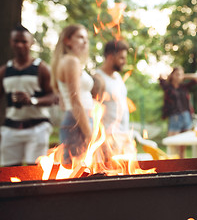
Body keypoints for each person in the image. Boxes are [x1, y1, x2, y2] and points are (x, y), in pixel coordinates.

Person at [0, 25, 58, 166]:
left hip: (37, 127)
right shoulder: (4, 71)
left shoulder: (41, 68)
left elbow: (54, 97)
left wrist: (32, 100)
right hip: (11, 128)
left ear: (31, 43)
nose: (20, 45)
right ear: (11, 42)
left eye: (24, 41)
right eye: (16, 41)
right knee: (9, 171)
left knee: (36, 170)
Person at [50, 24, 93, 164]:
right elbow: (75, 100)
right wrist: (90, 134)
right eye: (80, 37)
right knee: (77, 173)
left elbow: (64, 101)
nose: (85, 41)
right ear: (67, 40)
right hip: (78, 122)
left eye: (86, 38)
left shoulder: (67, 61)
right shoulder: (71, 61)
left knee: (78, 171)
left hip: (76, 119)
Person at [91, 40, 133, 155]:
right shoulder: (98, 79)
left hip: (124, 135)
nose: (125, 61)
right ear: (110, 57)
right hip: (109, 139)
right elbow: (93, 115)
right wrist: (103, 141)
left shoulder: (118, 76)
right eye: (121, 58)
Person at [159, 66, 197, 158]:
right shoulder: (167, 86)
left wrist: (183, 76)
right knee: (172, 143)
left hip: (186, 116)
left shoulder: (184, 87)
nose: (179, 76)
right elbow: (161, 77)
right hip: (174, 117)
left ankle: (182, 166)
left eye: (181, 74)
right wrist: (172, 76)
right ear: (172, 75)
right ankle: (171, 166)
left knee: (183, 144)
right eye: (177, 74)